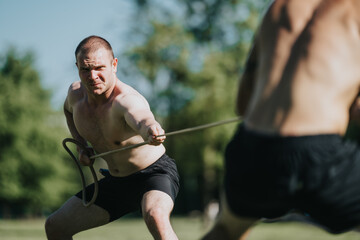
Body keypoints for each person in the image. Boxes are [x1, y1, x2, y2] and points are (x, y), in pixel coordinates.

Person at [202, 0, 360, 239]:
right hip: (320, 155)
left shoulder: (278, 6)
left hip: (253, 149)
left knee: (225, 231)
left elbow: (242, 105)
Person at [45, 35, 180, 240]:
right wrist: (81, 147)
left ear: (114, 64)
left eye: (99, 68)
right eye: (85, 69)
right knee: (55, 227)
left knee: (155, 216)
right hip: (117, 182)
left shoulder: (126, 100)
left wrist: (151, 129)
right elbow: (68, 112)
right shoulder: (75, 96)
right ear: (78, 67)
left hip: (154, 174)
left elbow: (143, 119)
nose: (92, 76)